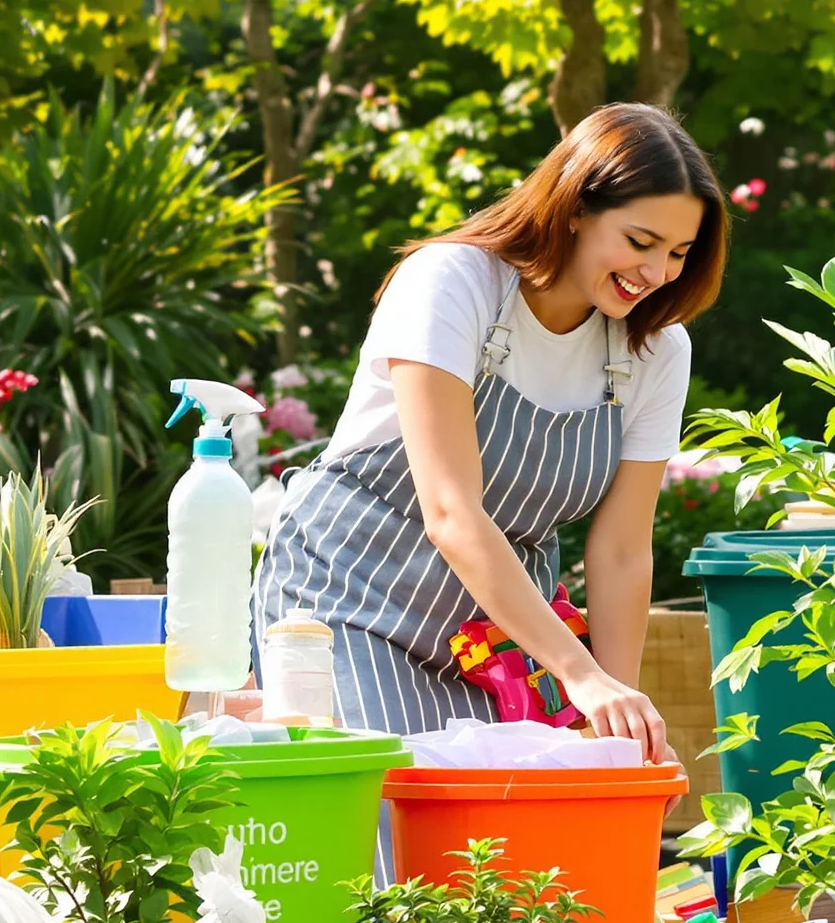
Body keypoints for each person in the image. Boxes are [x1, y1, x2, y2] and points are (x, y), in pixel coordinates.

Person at [256, 103, 728, 755]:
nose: (657, 274)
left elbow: (621, 551)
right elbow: (451, 512)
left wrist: (619, 724)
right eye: (640, 242)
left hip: (495, 647)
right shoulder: (452, 283)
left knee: (514, 824)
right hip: (346, 605)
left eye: (678, 253)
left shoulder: (656, 350)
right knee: (393, 808)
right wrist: (581, 675)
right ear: (575, 208)